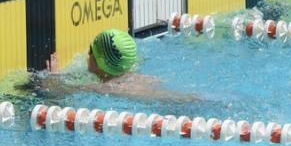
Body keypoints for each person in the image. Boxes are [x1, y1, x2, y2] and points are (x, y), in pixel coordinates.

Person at [44, 29, 194, 102]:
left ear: (100, 63)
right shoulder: (143, 78)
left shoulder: (104, 88)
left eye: (91, 50)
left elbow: (56, 92)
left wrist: (54, 76)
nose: (86, 53)